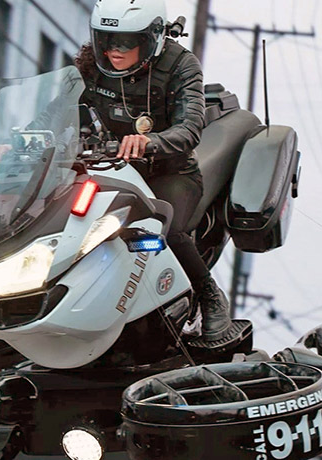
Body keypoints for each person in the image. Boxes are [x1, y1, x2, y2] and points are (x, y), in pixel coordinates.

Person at [76, 0, 234, 346]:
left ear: (153, 37)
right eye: (106, 40)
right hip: (110, 171)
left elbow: (190, 127)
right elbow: (56, 110)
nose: (113, 50)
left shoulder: (181, 65)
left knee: (165, 227)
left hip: (170, 172)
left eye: (125, 41)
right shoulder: (90, 64)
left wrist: (150, 142)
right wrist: (18, 142)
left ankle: (210, 296)